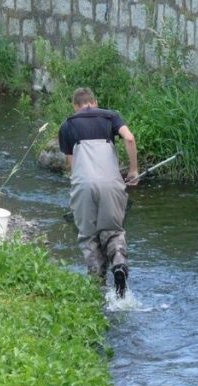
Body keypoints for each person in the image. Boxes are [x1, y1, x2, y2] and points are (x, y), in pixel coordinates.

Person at [58, 87, 139, 298]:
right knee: (113, 231)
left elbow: (71, 165)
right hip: (112, 184)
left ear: (75, 105)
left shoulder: (67, 124)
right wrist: (133, 171)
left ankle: (97, 287)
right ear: (95, 101)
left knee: (88, 236)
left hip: (83, 185)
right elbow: (129, 138)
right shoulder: (111, 116)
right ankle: (119, 265)